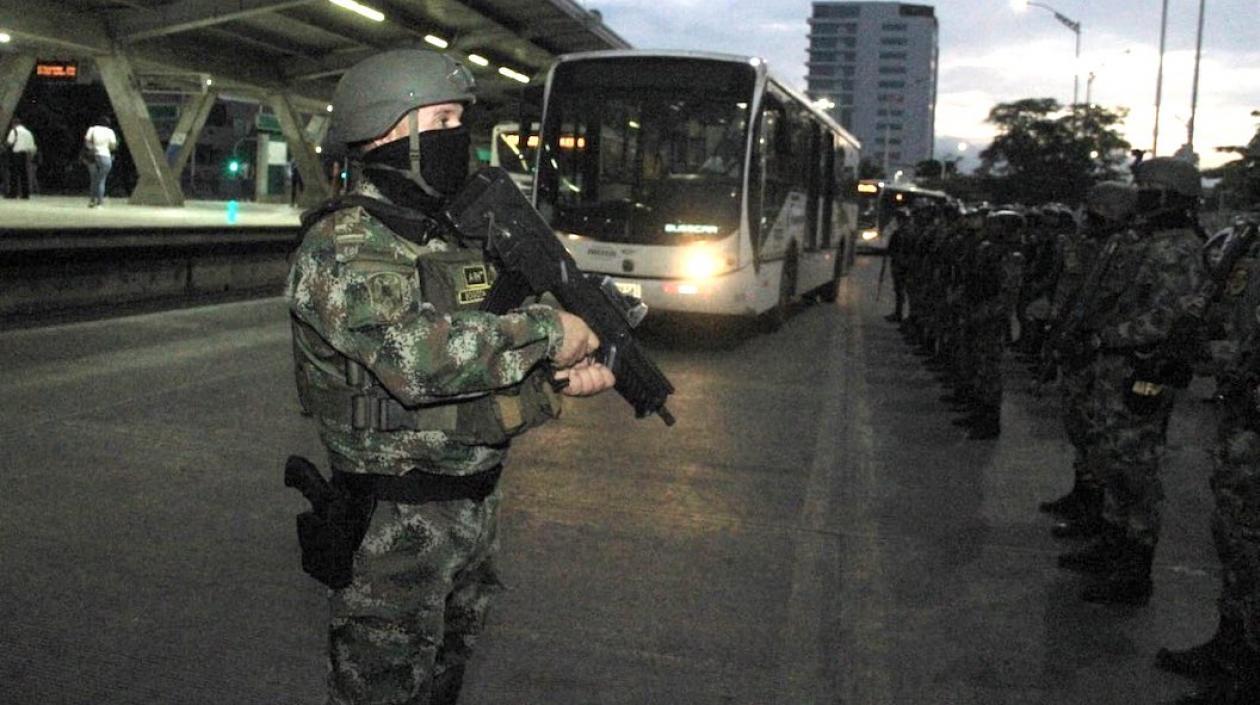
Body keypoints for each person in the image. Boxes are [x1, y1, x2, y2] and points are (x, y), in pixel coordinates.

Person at [284, 49, 616, 705]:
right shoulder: (344, 244)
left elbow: (485, 354)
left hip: (471, 510)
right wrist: (549, 334)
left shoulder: (451, 236)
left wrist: (555, 373)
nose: (457, 136)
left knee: (442, 684)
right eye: (440, 118)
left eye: (460, 119)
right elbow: (419, 360)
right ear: (386, 130)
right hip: (392, 524)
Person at [1056, 158, 1206, 605]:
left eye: (1146, 191)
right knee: (1112, 459)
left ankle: (1133, 567)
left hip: (1140, 369)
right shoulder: (1145, 243)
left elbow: (1168, 319)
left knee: (1136, 470)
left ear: (1166, 196)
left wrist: (1105, 337)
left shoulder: (1179, 249)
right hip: (1114, 366)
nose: (1137, 199)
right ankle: (1113, 545)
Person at [1154, 213, 1260, 705]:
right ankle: (1231, 645)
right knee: (1236, 539)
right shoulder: (1246, 246)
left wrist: (1213, 351)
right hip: (1243, 420)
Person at [84, 116, 118, 207]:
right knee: (101, 180)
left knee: (93, 179)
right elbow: (113, 146)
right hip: (105, 156)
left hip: (92, 157)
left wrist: (93, 148)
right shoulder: (110, 132)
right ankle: (100, 202)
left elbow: (87, 142)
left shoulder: (92, 129)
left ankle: (92, 201)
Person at [5, 118, 36, 199]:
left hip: (15, 155)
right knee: (24, 175)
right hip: (24, 155)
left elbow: (9, 142)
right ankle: (25, 194)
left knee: (14, 175)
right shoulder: (28, 132)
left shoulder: (14, 131)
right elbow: (32, 147)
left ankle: (13, 193)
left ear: (14, 124)